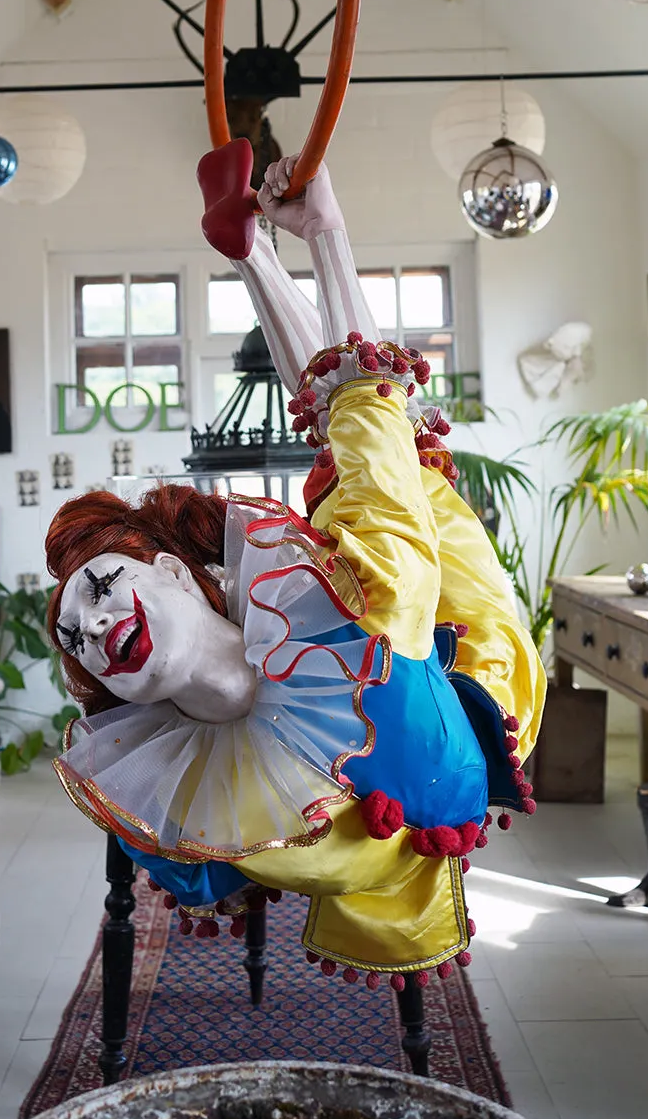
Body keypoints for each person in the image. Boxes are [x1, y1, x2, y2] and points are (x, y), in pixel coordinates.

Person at [47, 145, 545, 983]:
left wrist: (328, 237)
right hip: (390, 753)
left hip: (469, 658)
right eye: (75, 639)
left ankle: (273, 250)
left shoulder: (353, 609)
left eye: (99, 587)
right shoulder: (168, 785)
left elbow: (370, 425)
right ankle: (259, 252)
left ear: (173, 571)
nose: (93, 628)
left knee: (390, 474)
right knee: (378, 465)